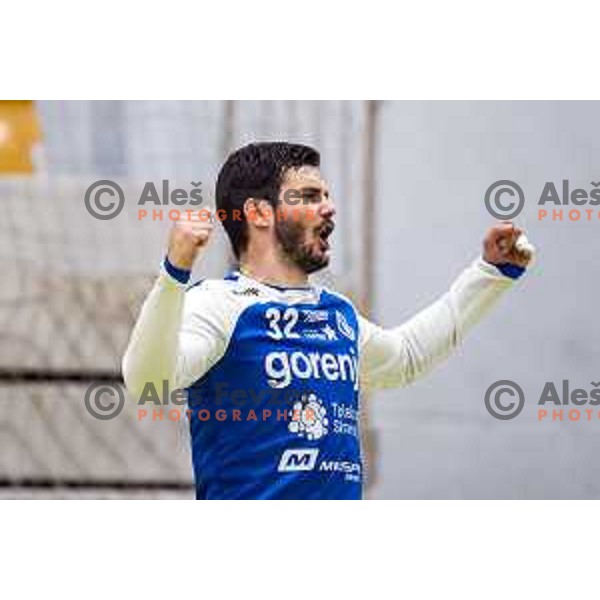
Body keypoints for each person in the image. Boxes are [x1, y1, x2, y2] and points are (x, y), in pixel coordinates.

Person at [122, 141, 534, 499]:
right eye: (309, 195)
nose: (329, 207)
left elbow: (406, 357)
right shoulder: (219, 304)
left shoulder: (337, 313)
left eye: (327, 194)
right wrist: (175, 272)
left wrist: (489, 273)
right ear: (260, 213)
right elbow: (148, 382)